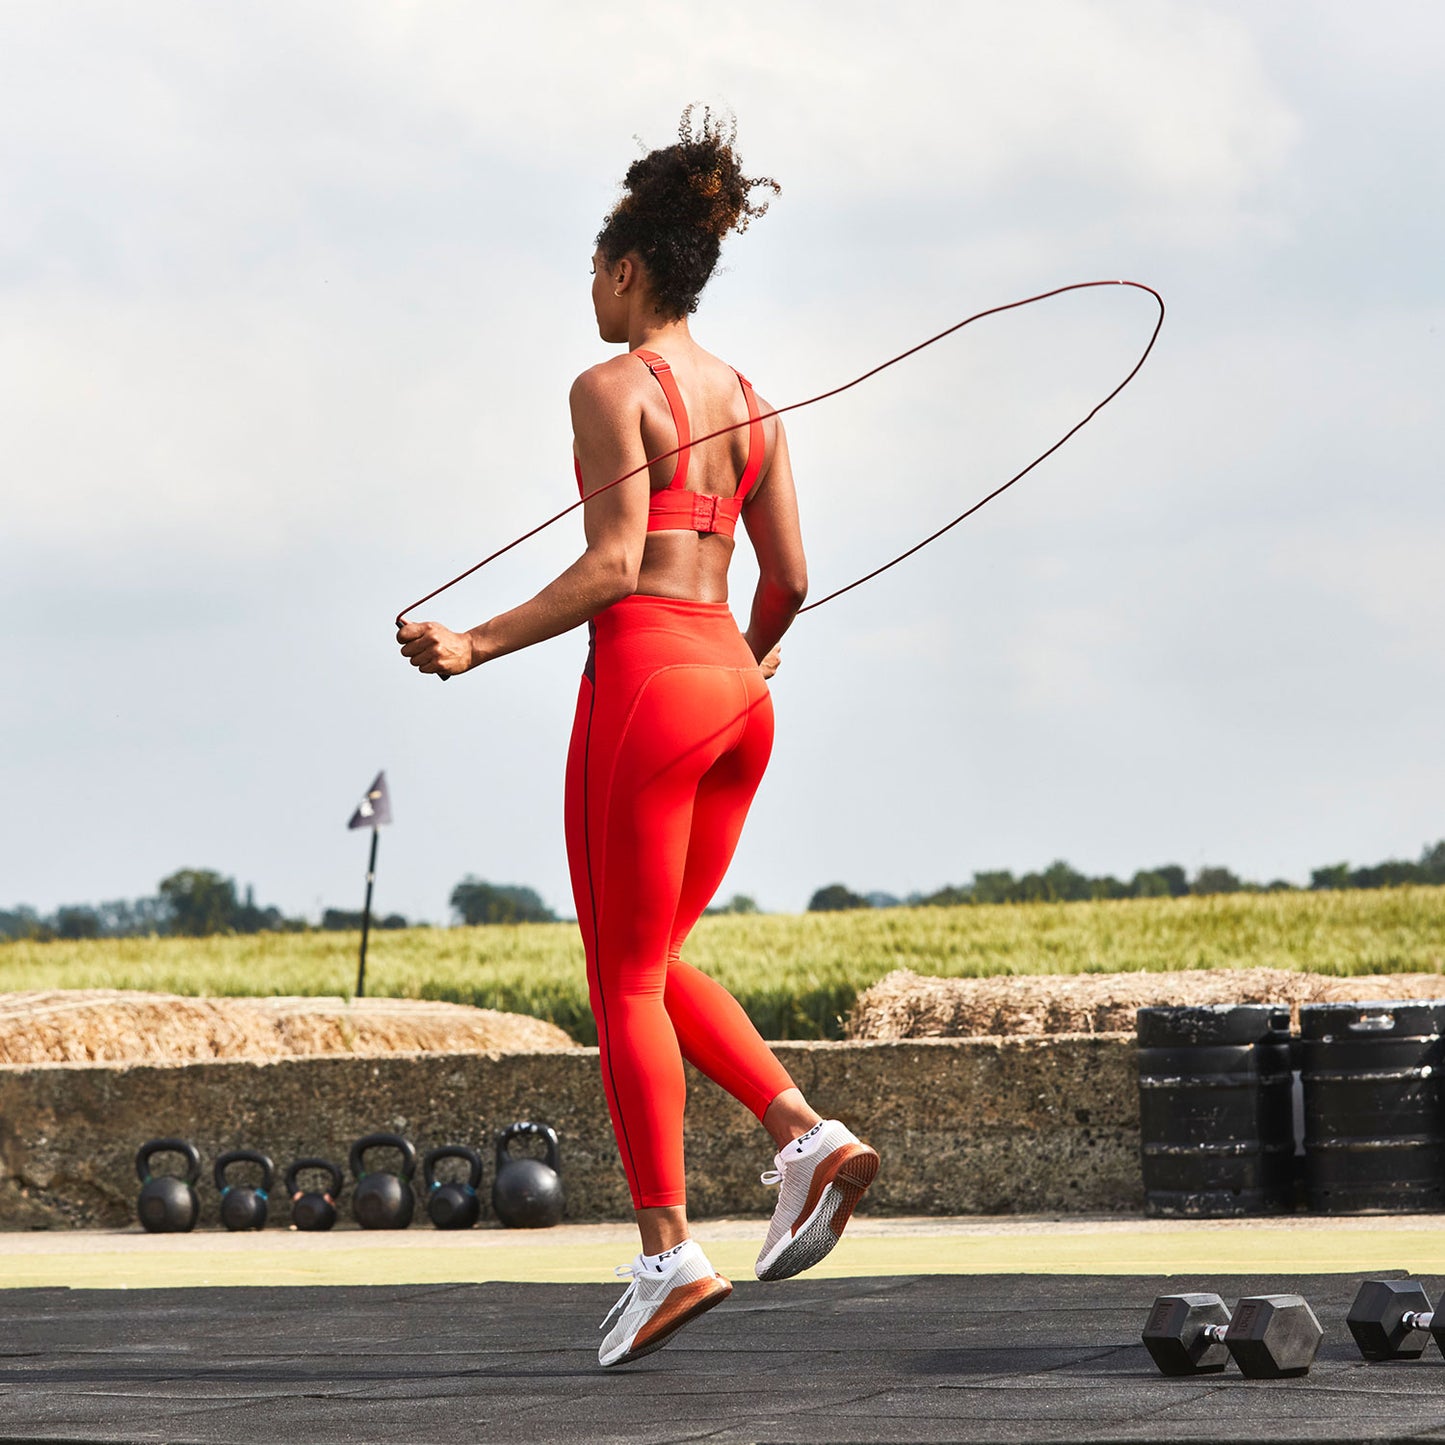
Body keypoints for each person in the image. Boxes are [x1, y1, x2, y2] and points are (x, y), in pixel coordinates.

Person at [397, 107, 878, 1368]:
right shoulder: (756, 403)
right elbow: (791, 579)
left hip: (650, 688)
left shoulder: (610, 386)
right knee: (657, 956)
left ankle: (667, 1252)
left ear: (626, 268)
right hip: (734, 694)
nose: (588, 297)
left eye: (593, 273)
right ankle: (802, 1133)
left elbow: (614, 565)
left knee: (617, 975)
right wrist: (748, 659)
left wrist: (475, 643)